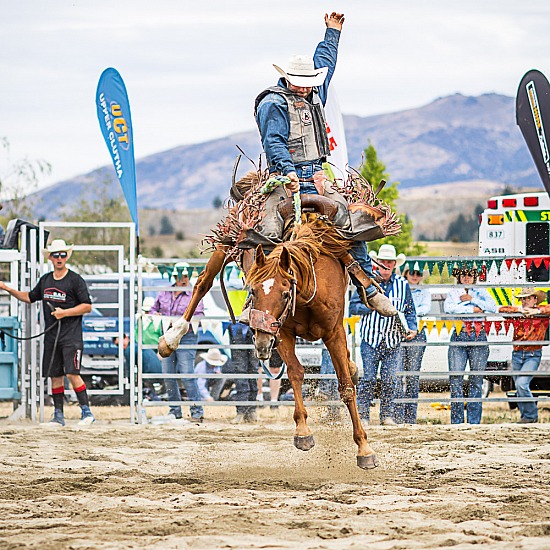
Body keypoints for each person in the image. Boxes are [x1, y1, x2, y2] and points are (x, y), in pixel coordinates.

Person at [253, 11, 395, 318]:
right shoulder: (273, 103)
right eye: (300, 83)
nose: (305, 88)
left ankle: (368, 286)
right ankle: (259, 299)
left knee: (350, 220)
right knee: (268, 229)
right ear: (287, 78)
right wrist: (288, 172)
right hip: (284, 179)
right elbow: (274, 141)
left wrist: (332, 32)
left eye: (309, 82)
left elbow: (325, 62)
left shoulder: (316, 91)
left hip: (316, 175)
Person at [0, 239, 94, 426]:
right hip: (52, 336)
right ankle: (58, 415)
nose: (59, 258)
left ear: (66, 257)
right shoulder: (46, 280)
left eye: (62, 254)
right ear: (50, 258)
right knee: (54, 374)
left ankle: (87, 412)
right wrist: (7, 288)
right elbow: (29, 297)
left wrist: (64, 313)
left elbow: (87, 306)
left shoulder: (75, 280)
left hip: (71, 336)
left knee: (72, 373)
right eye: (56, 255)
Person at [350, 244, 417, 425]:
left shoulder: (403, 285)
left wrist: (412, 327)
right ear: (377, 263)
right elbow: (353, 307)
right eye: (383, 262)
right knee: (369, 378)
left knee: (390, 380)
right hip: (371, 339)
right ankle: (363, 416)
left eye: (389, 262)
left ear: (394, 264)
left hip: (392, 340)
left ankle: (387, 416)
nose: (385, 266)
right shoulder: (366, 283)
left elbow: (409, 310)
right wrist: (369, 306)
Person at [149, 262, 205, 422]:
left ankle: (196, 411)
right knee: (168, 374)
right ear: (175, 277)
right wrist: (157, 316)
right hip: (167, 335)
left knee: (187, 373)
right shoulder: (165, 292)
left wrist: (180, 322)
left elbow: (199, 314)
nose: (184, 279)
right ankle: (175, 410)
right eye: (181, 276)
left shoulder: (195, 293)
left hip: (186, 335)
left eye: (186, 276)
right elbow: (154, 309)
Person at [444, 267, 497, 424]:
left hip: (478, 334)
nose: (466, 277)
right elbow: (449, 309)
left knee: (476, 380)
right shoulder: (453, 291)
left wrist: (471, 299)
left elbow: (492, 307)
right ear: (458, 277)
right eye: (463, 275)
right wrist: (473, 309)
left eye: (469, 275)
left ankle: (474, 421)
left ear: (474, 277)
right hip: (459, 333)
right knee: (456, 379)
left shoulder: (481, 291)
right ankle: (457, 421)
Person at [498, 288, 549, 424]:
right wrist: (519, 310)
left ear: (535, 300)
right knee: (519, 385)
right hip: (517, 354)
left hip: (533, 354)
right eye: (523, 299)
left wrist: (536, 311)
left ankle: (531, 415)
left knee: (521, 384)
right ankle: (525, 416)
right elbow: (502, 309)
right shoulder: (517, 313)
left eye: (528, 298)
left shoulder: (542, 314)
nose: (525, 301)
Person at [394, 265, 432, 424]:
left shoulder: (425, 292)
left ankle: (410, 417)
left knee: (412, 376)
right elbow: (403, 309)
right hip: (399, 332)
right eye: (412, 273)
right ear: (406, 274)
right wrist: (409, 313)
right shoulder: (401, 289)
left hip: (417, 333)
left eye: (417, 273)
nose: (415, 276)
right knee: (397, 375)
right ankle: (397, 416)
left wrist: (407, 311)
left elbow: (424, 309)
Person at [226, 321, 259, 424]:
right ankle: (243, 410)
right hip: (239, 325)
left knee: (252, 369)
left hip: (254, 326)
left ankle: (251, 409)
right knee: (240, 369)